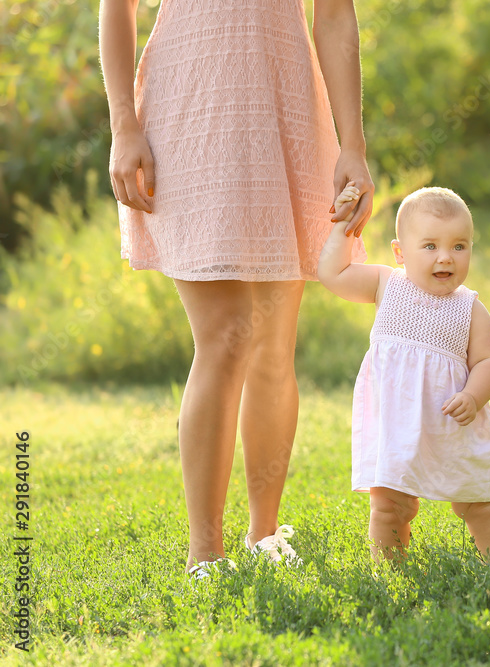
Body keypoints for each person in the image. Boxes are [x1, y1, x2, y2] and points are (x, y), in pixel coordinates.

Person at [99, 0, 374, 577]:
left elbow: (335, 16)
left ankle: (263, 534)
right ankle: (206, 553)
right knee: (226, 336)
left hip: (286, 105)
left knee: (274, 350)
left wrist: (354, 144)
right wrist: (123, 123)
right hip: (189, 107)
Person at [318, 185, 490, 562]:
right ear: (399, 252)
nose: (446, 258)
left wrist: (473, 396)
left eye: (459, 246)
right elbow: (333, 272)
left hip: (452, 424)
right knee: (390, 506)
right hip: (397, 424)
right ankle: (390, 575)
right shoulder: (385, 285)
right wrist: (343, 226)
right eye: (430, 246)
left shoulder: (470, 308)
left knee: (478, 504)